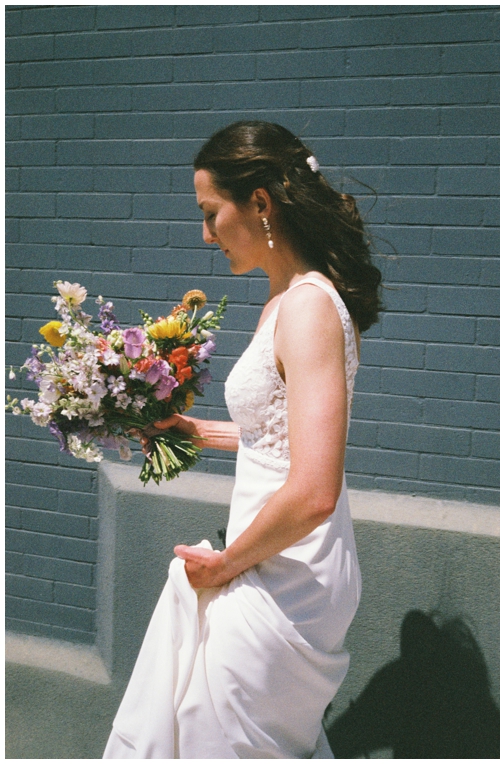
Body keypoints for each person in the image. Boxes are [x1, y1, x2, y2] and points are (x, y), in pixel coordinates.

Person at [103, 121, 383, 758]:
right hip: (270, 553)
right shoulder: (282, 299)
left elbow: (314, 489)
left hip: (291, 572)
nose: (205, 235)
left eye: (210, 212)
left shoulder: (309, 304)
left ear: (260, 203)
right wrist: (195, 431)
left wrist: (226, 566)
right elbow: (279, 436)